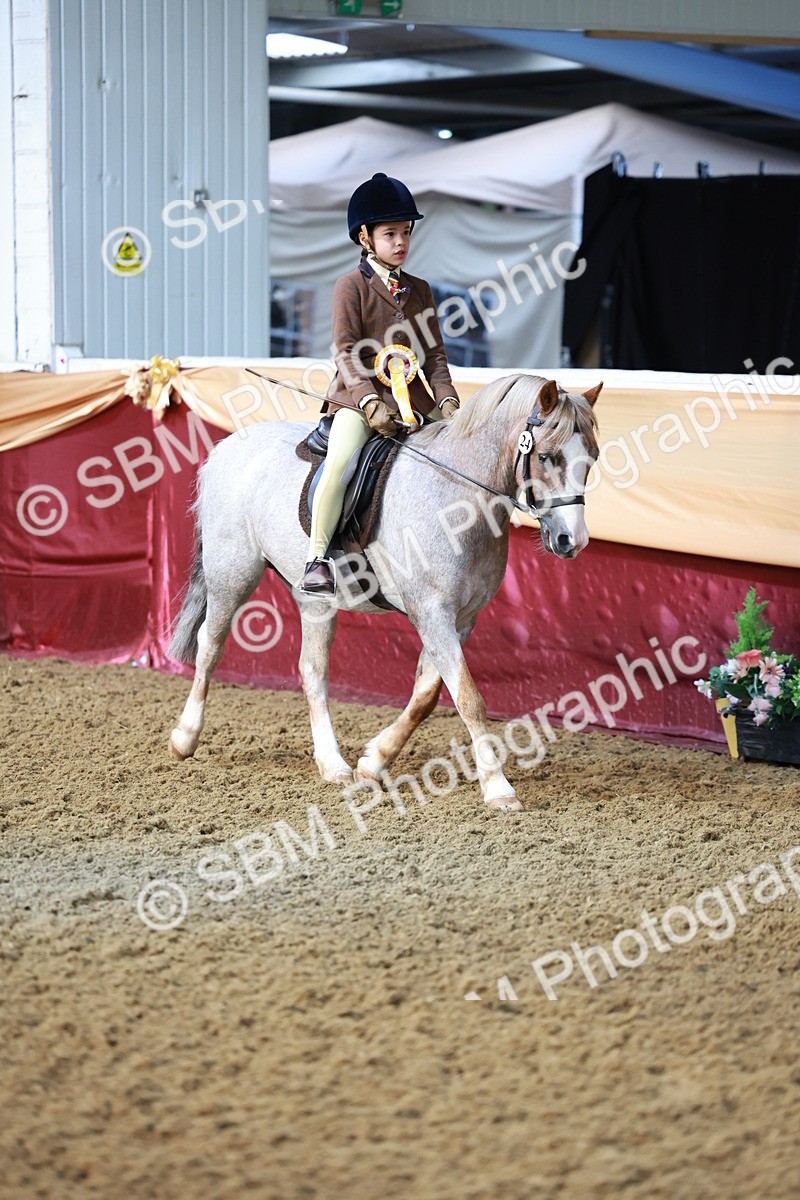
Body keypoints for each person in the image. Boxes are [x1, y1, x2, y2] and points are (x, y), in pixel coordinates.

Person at [301, 173, 460, 595]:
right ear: (365, 237)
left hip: (415, 401)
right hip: (358, 401)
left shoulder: (421, 290)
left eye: (406, 232)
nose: (401, 242)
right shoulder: (349, 287)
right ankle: (318, 557)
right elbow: (346, 351)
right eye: (390, 233)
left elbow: (435, 357)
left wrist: (447, 405)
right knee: (339, 465)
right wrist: (370, 403)